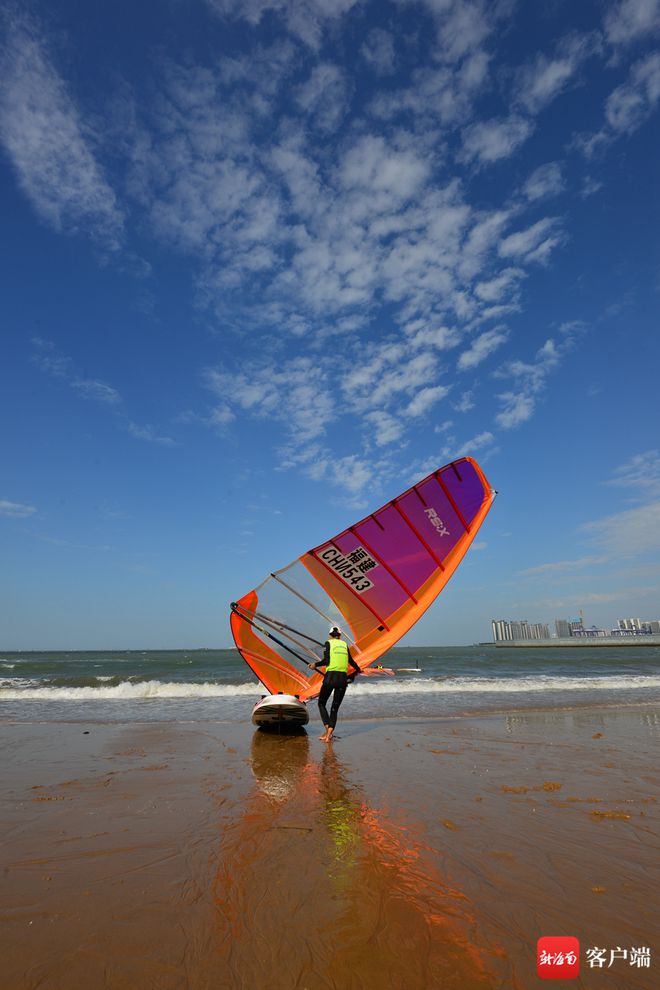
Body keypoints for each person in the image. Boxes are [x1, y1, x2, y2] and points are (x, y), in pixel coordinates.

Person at [308, 626, 361, 743]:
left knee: (321, 703)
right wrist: (358, 670)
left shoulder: (328, 643)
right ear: (340, 636)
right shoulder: (344, 645)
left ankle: (327, 732)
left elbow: (326, 661)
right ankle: (329, 735)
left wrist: (314, 665)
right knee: (334, 708)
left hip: (330, 678)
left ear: (330, 635)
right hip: (342, 680)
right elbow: (351, 661)